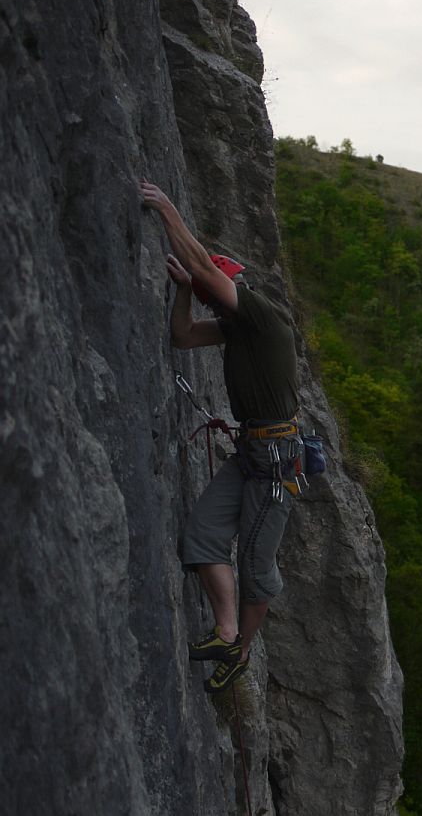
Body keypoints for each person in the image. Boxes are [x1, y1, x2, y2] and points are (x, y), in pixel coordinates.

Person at [141, 179, 302, 694]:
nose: (212, 305)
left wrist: (169, 211)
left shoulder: (259, 315)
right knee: (204, 534)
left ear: (232, 292)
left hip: (276, 458)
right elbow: (183, 337)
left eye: (213, 296)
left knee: (257, 569)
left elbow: (210, 272)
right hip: (253, 452)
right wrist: (186, 291)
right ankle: (227, 631)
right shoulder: (236, 327)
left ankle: (240, 655)